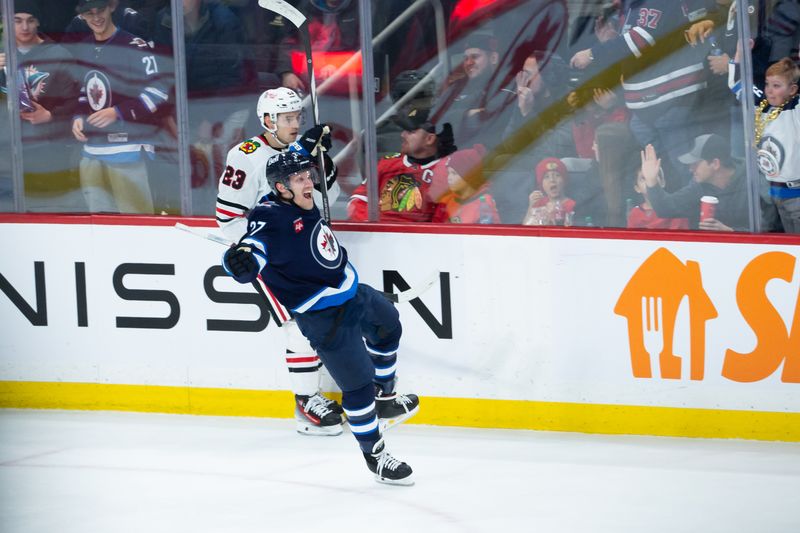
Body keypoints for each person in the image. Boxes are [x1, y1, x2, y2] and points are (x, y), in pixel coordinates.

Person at [222, 151, 420, 485]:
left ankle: (384, 397)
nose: (308, 183)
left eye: (307, 176)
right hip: (323, 316)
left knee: (389, 326)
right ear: (281, 187)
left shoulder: (300, 200)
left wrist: (311, 147)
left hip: (351, 291)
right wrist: (238, 262)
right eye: (299, 179)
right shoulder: (271, 219)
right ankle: (375, 455)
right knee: (356, 386)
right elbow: (252, 249)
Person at [216, 87, 347, 436]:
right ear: (267, 120)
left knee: (320, 318)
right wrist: (260, 248)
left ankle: (316, 395)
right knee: (297, 325)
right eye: (287, 118)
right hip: (272, 258)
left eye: (297, 117)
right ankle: (306, 403)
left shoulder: (298, 151)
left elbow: (328, 198)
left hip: (308, 250)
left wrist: (323, 165)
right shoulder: (245, 155)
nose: (294, 124)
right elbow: (227, 218)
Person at [570, 0, 711, 189]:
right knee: (662, 168)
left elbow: (640, 40)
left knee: (685, 166)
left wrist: (592, 53)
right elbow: (638, 45)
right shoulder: (633, 6)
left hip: (671, 99)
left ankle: (698, 209)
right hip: (650, 106)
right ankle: (675, 207)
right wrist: (613, 41)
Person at [70, 0, 169, 214]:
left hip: (128, 150)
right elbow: (85, 90)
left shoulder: (134, 45)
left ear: (111, 8)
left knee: (138, 224)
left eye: (101, 10)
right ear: (82, 16)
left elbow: (159, 91)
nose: (96, 17)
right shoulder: (85, 48)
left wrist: (118, 112)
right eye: (89, 13)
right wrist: (78, 117)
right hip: (91, 151)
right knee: (98, 226)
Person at [0, 0, 80, 210]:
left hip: (46, 156)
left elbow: (77, 104)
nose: (24, 27)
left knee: (49, 219)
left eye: (30, 20)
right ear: (6, 21)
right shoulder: (1, 53)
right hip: (5, 159)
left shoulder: (59, 55)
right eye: (17, 21)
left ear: (38, 23)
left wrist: (51, 116)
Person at [347, 106, 456, 222]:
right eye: (403, 130)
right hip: (378, 236)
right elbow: (358, 200)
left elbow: (444, 221)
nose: (402, 135)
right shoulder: (387, 163)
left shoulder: (450, 173)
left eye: (410, 131)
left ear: (429, 139)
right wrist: (374, 229)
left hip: (420, 238)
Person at [732, 56, 800, 233]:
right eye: (767, 84)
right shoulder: (762, 107)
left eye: (776, 86)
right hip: (773, 194)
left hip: (796, 195)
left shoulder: (795, 110)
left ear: (792, 89)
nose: (769, 90)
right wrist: (739, 56)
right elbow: (737, 84)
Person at [642, 136, 749, 231]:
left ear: (715, 164)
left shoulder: (752, 179)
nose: (690, 169)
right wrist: (651, 181)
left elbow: (764, 228)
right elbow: (666, 208)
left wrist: (731, 232)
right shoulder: (698, 186)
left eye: (695, 164)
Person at [431, 144, 500, 224]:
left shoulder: (484, 202)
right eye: (448, 173)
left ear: (468, 176)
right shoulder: (447, 201)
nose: (449, 178)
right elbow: (436, 227)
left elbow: (488, 232)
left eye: (454, 173)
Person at [627, 157, 689, 229]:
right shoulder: (635, 213)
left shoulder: (675, 208)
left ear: (662, 182)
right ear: (637, 188)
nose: (648, 180)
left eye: (654, 176)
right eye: (643, 178)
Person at [522, 157, 576, 226]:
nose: (552, 180)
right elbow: (526, 227)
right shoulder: (539, 203)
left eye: (557, 175)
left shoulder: (572, 205)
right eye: (546, 177)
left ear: (564, 181)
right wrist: (531, 206)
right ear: (541, 184)